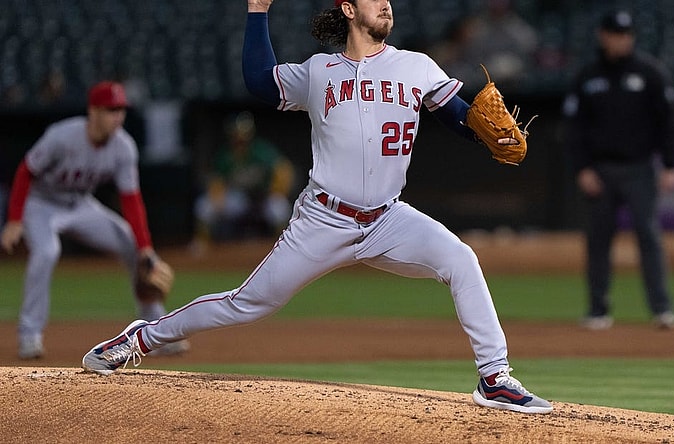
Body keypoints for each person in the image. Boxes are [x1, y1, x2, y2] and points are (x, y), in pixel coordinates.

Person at [82, 0, 553, 415]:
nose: (386, 5)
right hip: (323, 220)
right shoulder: (318, 72)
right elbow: (259, 82)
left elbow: (460, 117)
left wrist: (487, 135)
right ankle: (139, 338)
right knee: (247, 303)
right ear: (348, 8)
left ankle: (494, 378)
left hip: (388, 219)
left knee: (461, 259)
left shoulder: (417, 67)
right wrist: (257, 12)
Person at [0, 81, 189, 359]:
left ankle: (154, 332)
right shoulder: (62, 136)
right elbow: (26, 171)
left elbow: (131, 200)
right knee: (47, 251)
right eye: (111, 110)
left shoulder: (123, 147)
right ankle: (30, 335)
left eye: (121, 110)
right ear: (93, 111)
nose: (118, 116)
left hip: (80, 204)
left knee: (129, 240)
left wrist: (145, 247)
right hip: (41, 205)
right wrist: (15, 219)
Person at [562, 10, 674, 331]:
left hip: (639, 169)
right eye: (615, 33)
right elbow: (574, 130)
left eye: (626, 34)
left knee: (649, 236)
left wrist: (670, 164)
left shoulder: (650, 74)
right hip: (600, 170)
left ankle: (662, 309)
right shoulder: (588, 77)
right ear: (603, 35)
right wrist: (583, 168)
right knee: (598, 240)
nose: (621, 39)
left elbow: (668, 123)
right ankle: (598, 309)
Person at [193, 111, 295, 245]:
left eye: (242, 133)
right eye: (236, 133)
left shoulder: (261, 151)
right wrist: (217, 196)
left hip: (262, 199)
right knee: (204, 206)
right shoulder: (225, 156)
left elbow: (284, 170)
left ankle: (283, 244)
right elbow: (216, 181)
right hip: (239, 199)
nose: (239, 137)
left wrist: (277, 190)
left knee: (279, 209)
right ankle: (201, 244)